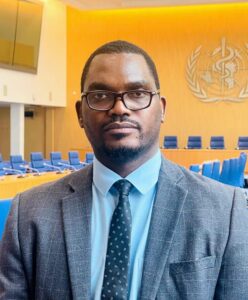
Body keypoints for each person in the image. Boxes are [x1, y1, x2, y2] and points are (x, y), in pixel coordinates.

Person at [0, 40, 248, 300]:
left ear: (161, 109)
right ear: (80, 114)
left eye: (137, 93)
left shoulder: (225, 211)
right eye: (100, 96)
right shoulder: (29, 213)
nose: (119, 108)